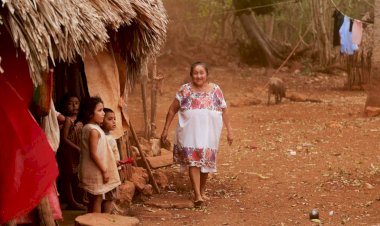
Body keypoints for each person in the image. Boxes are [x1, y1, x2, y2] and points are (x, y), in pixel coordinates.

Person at [161, 61, 233, 207]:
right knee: (193, 161)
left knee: (206, 161)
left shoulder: (216, 90)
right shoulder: (185, 90)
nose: (198, 76)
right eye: (195, 73)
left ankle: (202, 190)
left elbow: (224, 109)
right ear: (191, 75)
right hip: (189, 133)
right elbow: (172, 110)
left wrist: (230, 131)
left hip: (209, 133)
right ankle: (197, 195)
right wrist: (165, 129)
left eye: (201, 73)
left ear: (207, 74)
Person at [78, 97, 121, 213]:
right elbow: (93, 154)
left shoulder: (93, 128)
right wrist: (104, 170)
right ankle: (96, 222)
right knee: (96, 199)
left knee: (94, 199)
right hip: (96, 170)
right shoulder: (93, 130)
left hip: (94, 170)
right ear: (90, 113)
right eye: (100, 110)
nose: (103, 113)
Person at [56, 94, 86, 210]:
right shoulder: (68, 120)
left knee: (76, 175)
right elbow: (64, 139)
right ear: (64, 106)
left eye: (76, 103)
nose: (74, 106)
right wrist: (77, 148)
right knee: (68, 177)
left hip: (75, 152)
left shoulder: (79, 121)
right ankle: (71, 201)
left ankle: (80, 198)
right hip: (68, 153)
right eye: (70, 103)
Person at [101, 108, 122, 213]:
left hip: (112, 170)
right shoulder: (103, 138)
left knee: (110, 196)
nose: (114, 121)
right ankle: (106, 218)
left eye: (114, 119)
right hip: (107, 172)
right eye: (110, 119)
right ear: (101, 121)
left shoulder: (110, 136)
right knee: (108, 197)